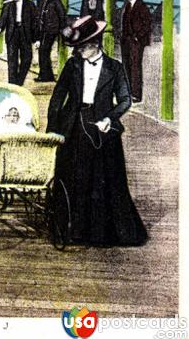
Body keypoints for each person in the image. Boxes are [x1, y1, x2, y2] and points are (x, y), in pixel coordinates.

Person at [47, 16, 147, 247]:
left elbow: (124, 100)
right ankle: (71, 231)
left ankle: (101, 234)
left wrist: (109, 118)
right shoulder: (72, 66)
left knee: (103, 178)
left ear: (96, 44)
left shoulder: (115, 67)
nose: (78, 51)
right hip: (73, 125)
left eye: (82, 47)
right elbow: (57, 98)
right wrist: (54, 129)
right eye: (77, 47)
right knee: (73, 176)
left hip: (101, 125)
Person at [0, 0, 37, 86]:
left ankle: (19, 82)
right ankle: (12, 84)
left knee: (27, 59)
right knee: (12, 60)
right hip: (12, 33)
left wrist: (37, 39)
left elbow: (35, 23)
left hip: (25, 34)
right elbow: (4, 17)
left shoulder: (30, 5)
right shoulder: (9, 4)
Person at [119, 0, 151, 103]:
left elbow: (147, 24)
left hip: (136, 41)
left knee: (135, 67)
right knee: (126, 65)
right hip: (126, 40)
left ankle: (136, 94)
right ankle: (128, 91)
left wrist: (138, 37)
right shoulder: (126, 6)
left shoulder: (142, 6)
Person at [34, 0, 67, 82]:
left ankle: (45, 75)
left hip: (51, 30)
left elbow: (62, 14)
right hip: (44, 29)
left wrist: (61, 28)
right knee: (43, 51)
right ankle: (46, 75)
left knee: (43, 51)